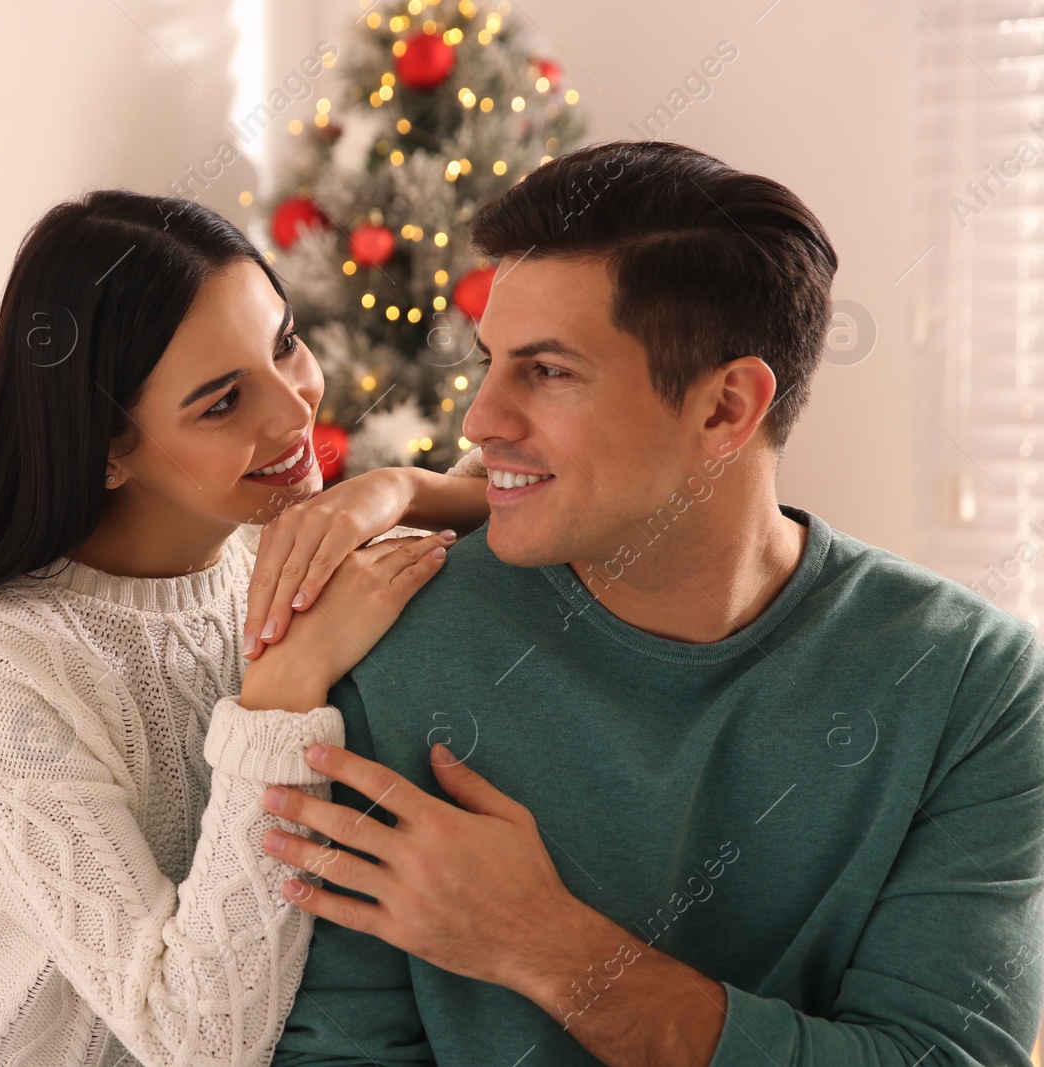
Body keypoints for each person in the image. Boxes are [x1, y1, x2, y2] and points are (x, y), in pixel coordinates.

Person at [263, 140, 1044, 1066]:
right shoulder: (393, 634)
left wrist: (547, 946)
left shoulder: (972, 683)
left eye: (547, 371)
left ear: (725, 409)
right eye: (490, 362)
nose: (478, 420)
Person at [0, 190, 489, 1067]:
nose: (293, 411)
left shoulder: (265, 541)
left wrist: (404, 488)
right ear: (110, 446)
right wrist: (278, 696)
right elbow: (199, 1040)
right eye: (223, 401)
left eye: (286, 343)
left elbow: (537, 487)